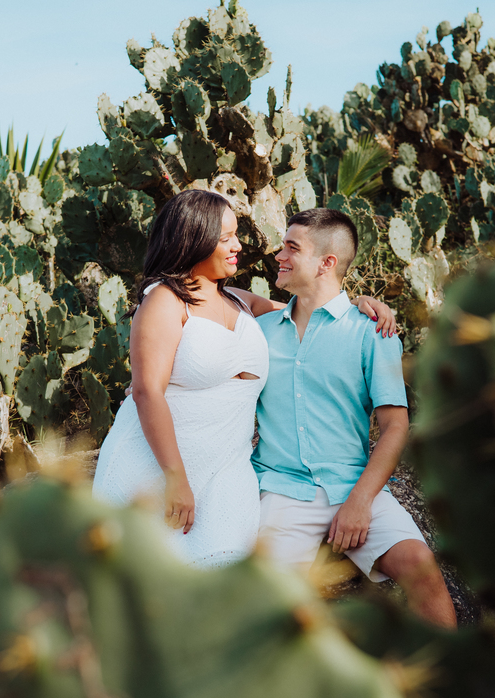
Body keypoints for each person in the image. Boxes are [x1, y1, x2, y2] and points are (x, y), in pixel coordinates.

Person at [92, 190, 395, 569]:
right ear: (194, 239)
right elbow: (146, 391)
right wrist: (175, 478)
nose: (237, 245)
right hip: (157, 468)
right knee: (142, 583)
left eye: (235, 235)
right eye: (225, 239)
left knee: (222, 576)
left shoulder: (239, 300)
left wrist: (362, 303)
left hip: (226, 471)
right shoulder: (165, 301)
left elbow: (314, 307)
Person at [253, 208, 458, 629]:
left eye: (292, 247)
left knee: (421, 567)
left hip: (352, 484)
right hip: (281, 488)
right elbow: (215, 298)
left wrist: (360, 502)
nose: (279, 255)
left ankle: (450, 689)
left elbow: (396, 426)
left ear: (327, 262)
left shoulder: (373, 332)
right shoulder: (259, 329)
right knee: (270, 608)